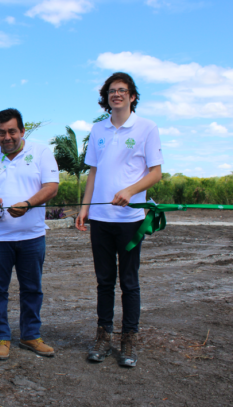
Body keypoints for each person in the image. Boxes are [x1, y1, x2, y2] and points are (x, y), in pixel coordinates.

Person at [76, 72, 163, 368]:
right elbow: (93, 172)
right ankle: (103, 337)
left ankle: (129, 340)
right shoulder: (98, 129)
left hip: (130, 219)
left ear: (132, 96)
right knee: (104, 281)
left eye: (122, 90)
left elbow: (155, 173)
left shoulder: (147, 128)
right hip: (100, 218)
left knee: (129, 282)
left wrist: (130, 190)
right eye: (112, 91)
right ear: (106, 97)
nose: (117, 95)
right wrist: (84, 207)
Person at [0, 108, 60, 360]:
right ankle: (2, 337)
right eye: (1, 132)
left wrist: (28, 203)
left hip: (32, 236)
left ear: (22, 131)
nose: (6, 137)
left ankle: (31, 335)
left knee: (32, 288)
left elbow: (51, 187)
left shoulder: (40, 152)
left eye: (11, 131)